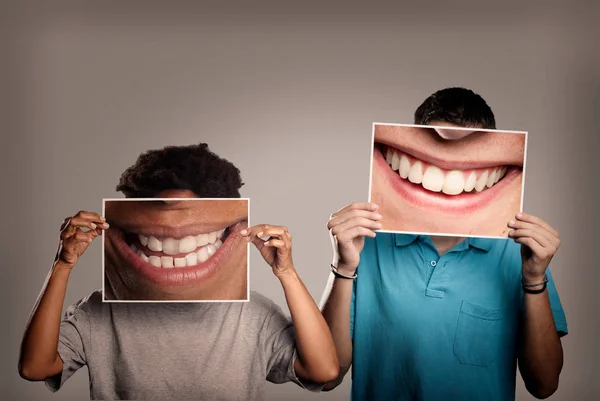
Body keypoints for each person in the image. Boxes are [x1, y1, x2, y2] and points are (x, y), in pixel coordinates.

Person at [18, 143, 339, 400]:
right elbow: (35, 367)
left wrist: (286, 273)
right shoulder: (97, 313)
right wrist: (63, 264)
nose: (175, 220)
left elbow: (323, 371)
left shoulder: (255, 314)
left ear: (238, 230)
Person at [321, 88, 567, 400]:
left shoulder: (519, 253)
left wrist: (534, 280)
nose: (451, 160)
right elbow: (327, 375)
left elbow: (545, 385)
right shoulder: (365, 245)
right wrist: (342, 267)